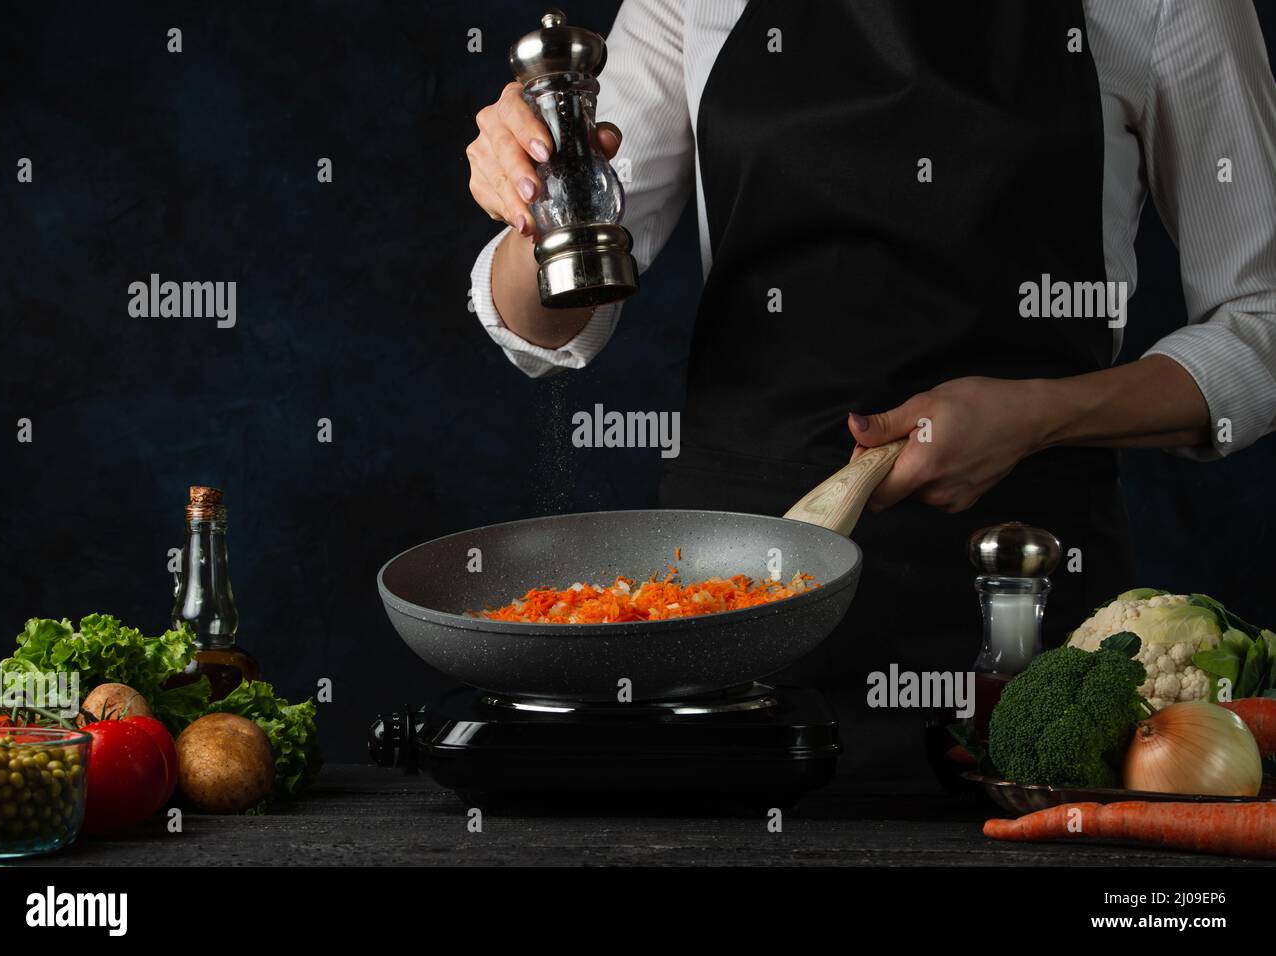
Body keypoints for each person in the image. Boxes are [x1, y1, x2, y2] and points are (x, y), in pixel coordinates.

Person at [466, 0, 1276, 787]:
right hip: (737, 609)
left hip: (1027, 616)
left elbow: (1264, 321)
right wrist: (541, 201)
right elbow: (552, 323)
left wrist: (1040, 415)